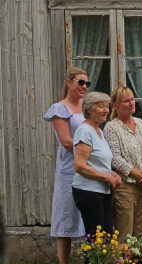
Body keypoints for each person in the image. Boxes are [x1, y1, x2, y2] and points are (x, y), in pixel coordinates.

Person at [43, 67, 89, 264]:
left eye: (87, 83)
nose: (84, 87)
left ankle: (93, 259)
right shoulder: (60, 109)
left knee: (89, 216)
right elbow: (67, 142)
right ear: (69, 83)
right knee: (66, 216)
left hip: (88, 168)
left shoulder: (87, 108)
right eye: (81, 82)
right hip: (69, 170)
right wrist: (93, 148)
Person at [104, 86, 142, 241]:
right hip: (126, 186)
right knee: (125, 234)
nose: (131, 103)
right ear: (115, 105)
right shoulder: (112, 127)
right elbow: (115, 158)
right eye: (126, 101)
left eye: (132, 99)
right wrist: (137, 175)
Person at [72, 91, 122, 236]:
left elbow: (98, 162)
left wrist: (113, 174)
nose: (106, 110)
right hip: (88, 191)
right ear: (89, 109)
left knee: (106, 237)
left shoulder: (99, 131)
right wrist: (107, 178)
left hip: (102, 191)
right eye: (101, 106)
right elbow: (80, 166)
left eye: (107, 106)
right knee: (95, 239)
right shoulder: (84, 131)